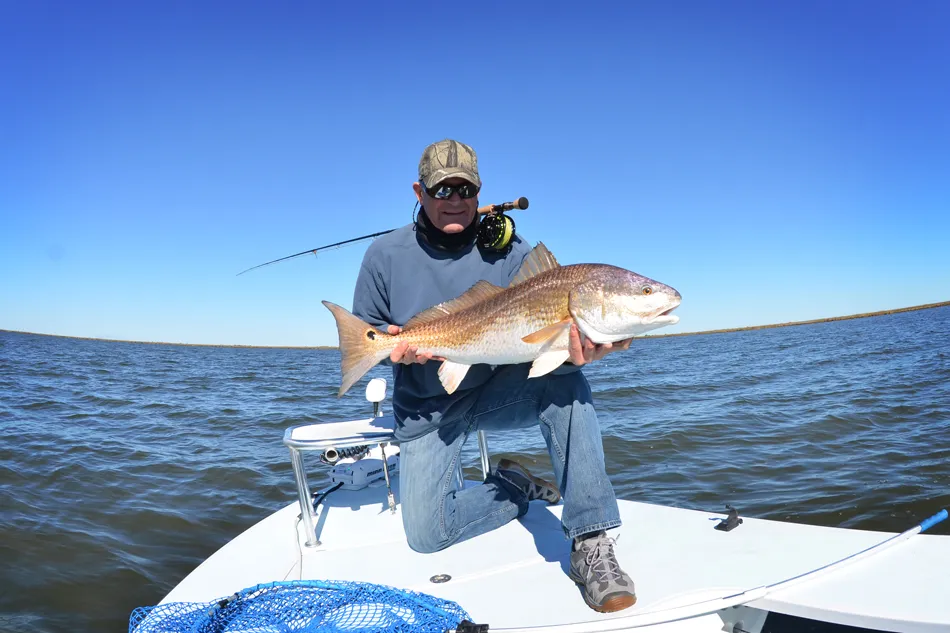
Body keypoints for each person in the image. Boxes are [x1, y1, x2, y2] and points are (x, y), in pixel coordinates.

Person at [351, 139, 637, 613]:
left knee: (567, 381)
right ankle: (514, 486)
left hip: (493, 392)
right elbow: (369, 332)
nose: (455, 199)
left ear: (478, 191)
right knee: (428, 536)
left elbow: (549, 326)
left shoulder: (512, 252)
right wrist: (392, 350)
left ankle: (591, 538)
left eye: (465, 188)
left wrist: (583, 349)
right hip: (427, 410)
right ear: (419, 192)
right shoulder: (384, 255)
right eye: (443, 189)